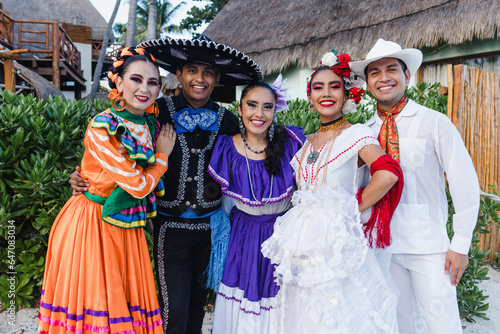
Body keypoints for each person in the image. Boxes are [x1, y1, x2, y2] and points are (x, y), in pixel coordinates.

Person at [70, 35, 263, 334]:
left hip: (210, 229)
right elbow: (121, 143)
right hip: (170, 227)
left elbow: (251, 157)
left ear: (217, 78)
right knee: (173, 308)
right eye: (193, 71)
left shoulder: (228, 120)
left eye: (208, 72)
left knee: (198, 305)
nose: (200, 79)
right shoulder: (155, 111)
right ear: (180, 74)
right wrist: (84, 176)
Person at [261, 50, 404, 333]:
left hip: (339, 249)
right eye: (318, 87)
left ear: (347, 94)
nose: (326, 93)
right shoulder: (306, 142)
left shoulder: (357, 134)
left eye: (334, 86)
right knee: (303, 317)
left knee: (336, 319)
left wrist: (351, 207)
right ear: (310, 98)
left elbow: (388, 172)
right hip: (302, 249)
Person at [37, 47, 176, 333]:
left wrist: (79, 173)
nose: (144, 88)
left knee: (122, 299)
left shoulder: (149, 123)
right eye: (136, 79)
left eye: (152, 82)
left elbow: (96, 169)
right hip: (92, 224)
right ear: (119, 83)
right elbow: (137, 185)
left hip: (128, 226)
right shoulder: (103, 126)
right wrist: (162, 157)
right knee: (97, 303)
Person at [349, 39, 480, 334]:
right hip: (383, 247)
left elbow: (464, 183)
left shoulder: (435, 123)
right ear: (368, 83)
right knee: (398, 323)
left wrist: (460, 245)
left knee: (442, 324)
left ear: (407, 76)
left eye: (392, 69)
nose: (384, 78)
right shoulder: (364, 133)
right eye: (375, 72)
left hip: (429, 247)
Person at [208, 78, 305, 333]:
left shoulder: (291, 141)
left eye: (267, 107)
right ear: (239, 109)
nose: (259, 114)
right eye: (252, 105)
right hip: (245, 234)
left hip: (283, 234)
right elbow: (223, 201)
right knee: (244, 291)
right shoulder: (226, 148)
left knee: (280, 294)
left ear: (275, 110)